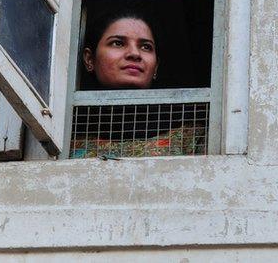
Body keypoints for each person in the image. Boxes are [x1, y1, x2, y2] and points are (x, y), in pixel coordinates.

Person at [72, 9, 205, 158]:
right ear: (89, 59)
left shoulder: (192, 136)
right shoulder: (62, 134)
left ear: (156, 67)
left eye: (145, 47)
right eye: (118, 43)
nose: (135, 54)